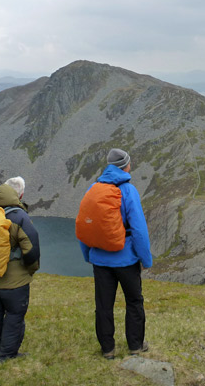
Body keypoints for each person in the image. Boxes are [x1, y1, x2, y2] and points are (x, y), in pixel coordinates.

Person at [79, 148, 153, 360]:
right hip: (126, 259)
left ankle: (107, 349)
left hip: (100, 260)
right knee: (134, 302)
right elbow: (138, 229)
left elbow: (85, 226)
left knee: (103, 305)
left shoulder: (93, 188)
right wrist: (145, 259)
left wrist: (88, 254)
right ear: (126, 166)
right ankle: (136, 345)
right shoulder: (128, 190)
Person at [0, 176, 40, 363]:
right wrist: (31, 270)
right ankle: (7, 356)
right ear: (20, 194)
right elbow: (31, 249)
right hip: (15, 283)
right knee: (14, 317)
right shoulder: (19, 216)